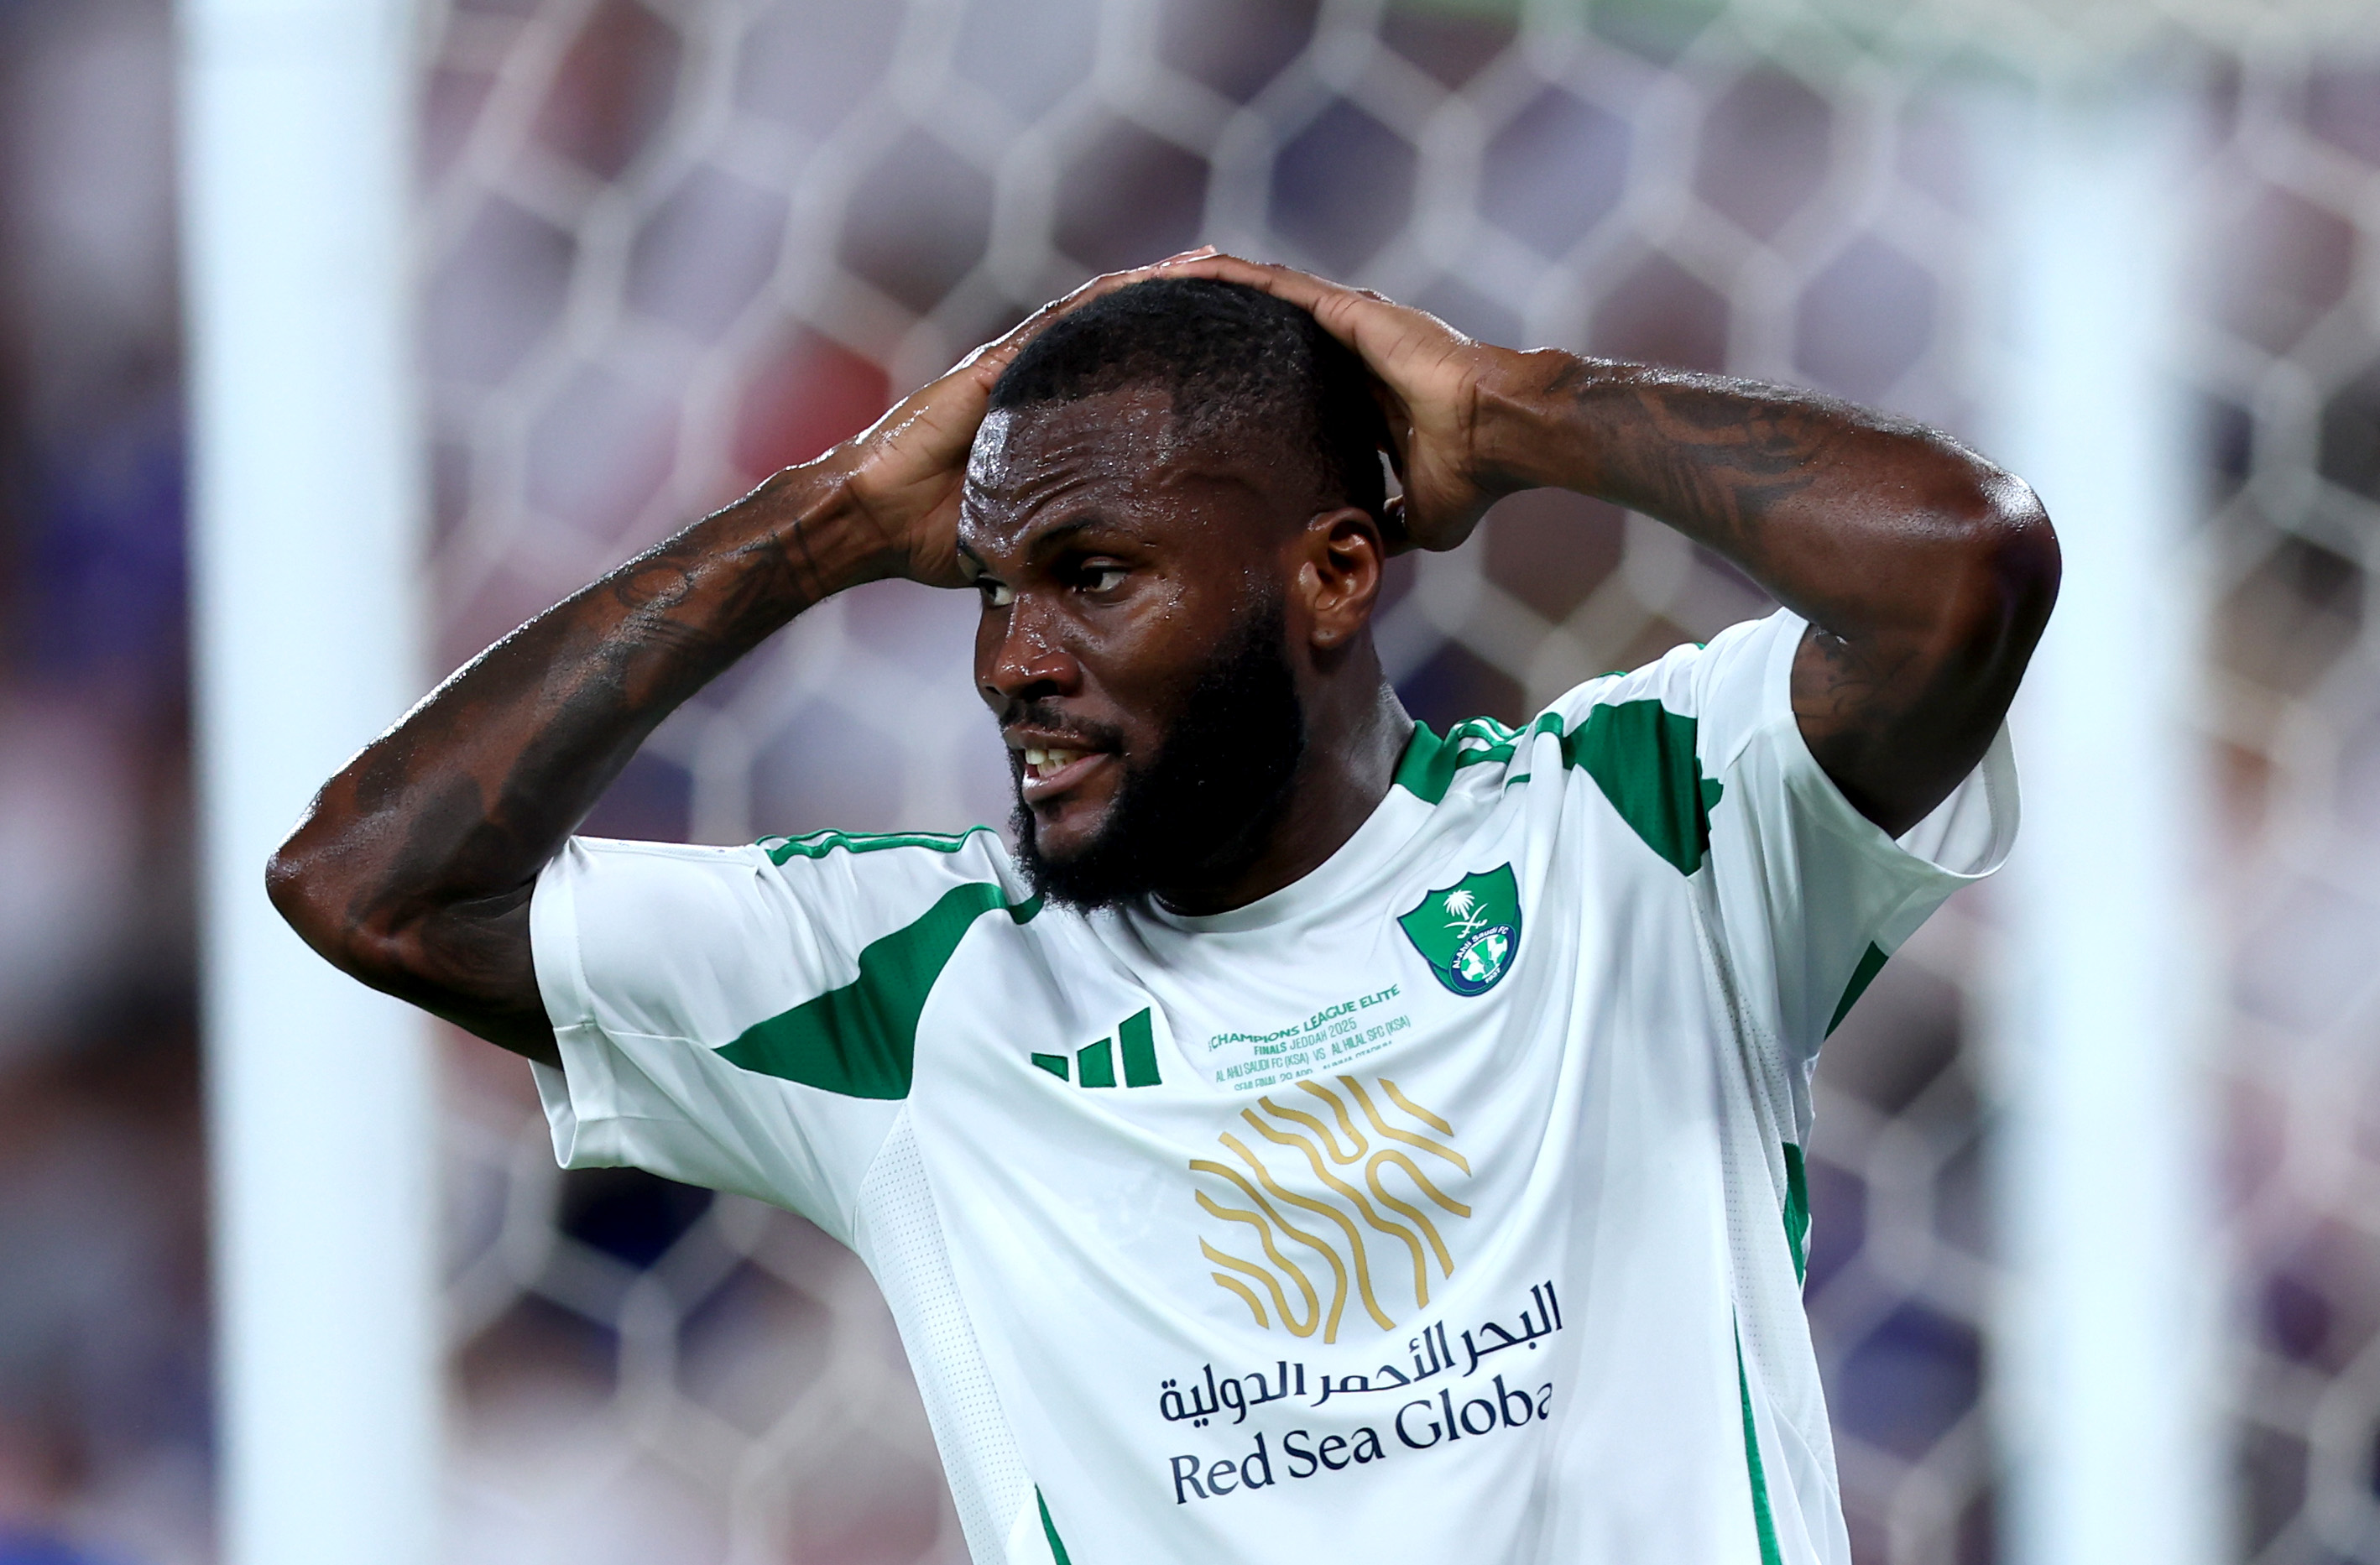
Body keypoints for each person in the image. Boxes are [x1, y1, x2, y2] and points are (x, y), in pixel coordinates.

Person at [269, 248, 2055, 1564]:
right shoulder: (921, 986)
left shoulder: (1639, 826)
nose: (1011, 661)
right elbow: (369, 883)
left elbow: (1962, 566)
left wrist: (1510, 412)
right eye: (990, 588)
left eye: (1092, 576)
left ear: (1334, 576)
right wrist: (828, 518)